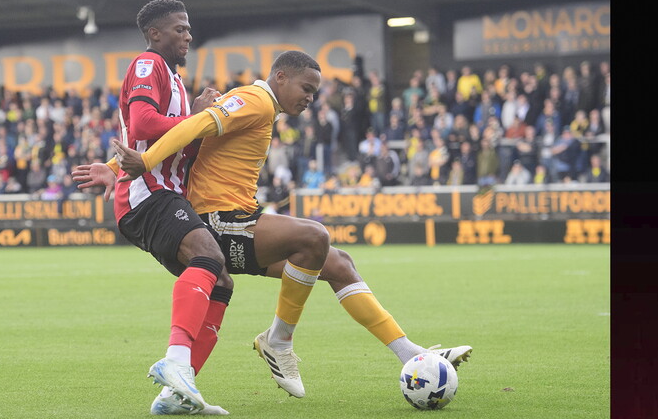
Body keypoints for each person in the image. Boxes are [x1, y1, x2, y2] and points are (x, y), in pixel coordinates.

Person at [111, 50, 472, 400]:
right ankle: (278, 341)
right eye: (306, 89)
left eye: (314, 93)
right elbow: (198, 124)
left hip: (237, 220)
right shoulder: (257, 100)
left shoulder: (263, 107)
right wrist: (144, 160)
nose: (310, 99)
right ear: (280, 77)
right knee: (314, 237)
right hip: (217, 222)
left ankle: (411, 354)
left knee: (338, 263)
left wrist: (113, 168)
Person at [71, 0, 231, 416]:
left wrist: (198, 120)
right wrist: (197, 119)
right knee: (207, 254)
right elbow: (141, 124)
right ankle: (175, 363)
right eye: (180, 28)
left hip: (164, 192)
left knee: (222, 282)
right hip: (146, 193)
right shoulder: (148, 65)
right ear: (155, 33)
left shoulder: (175, 81)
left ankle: (176, 395)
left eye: (189, 28)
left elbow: (167, 142)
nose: (188, 35)